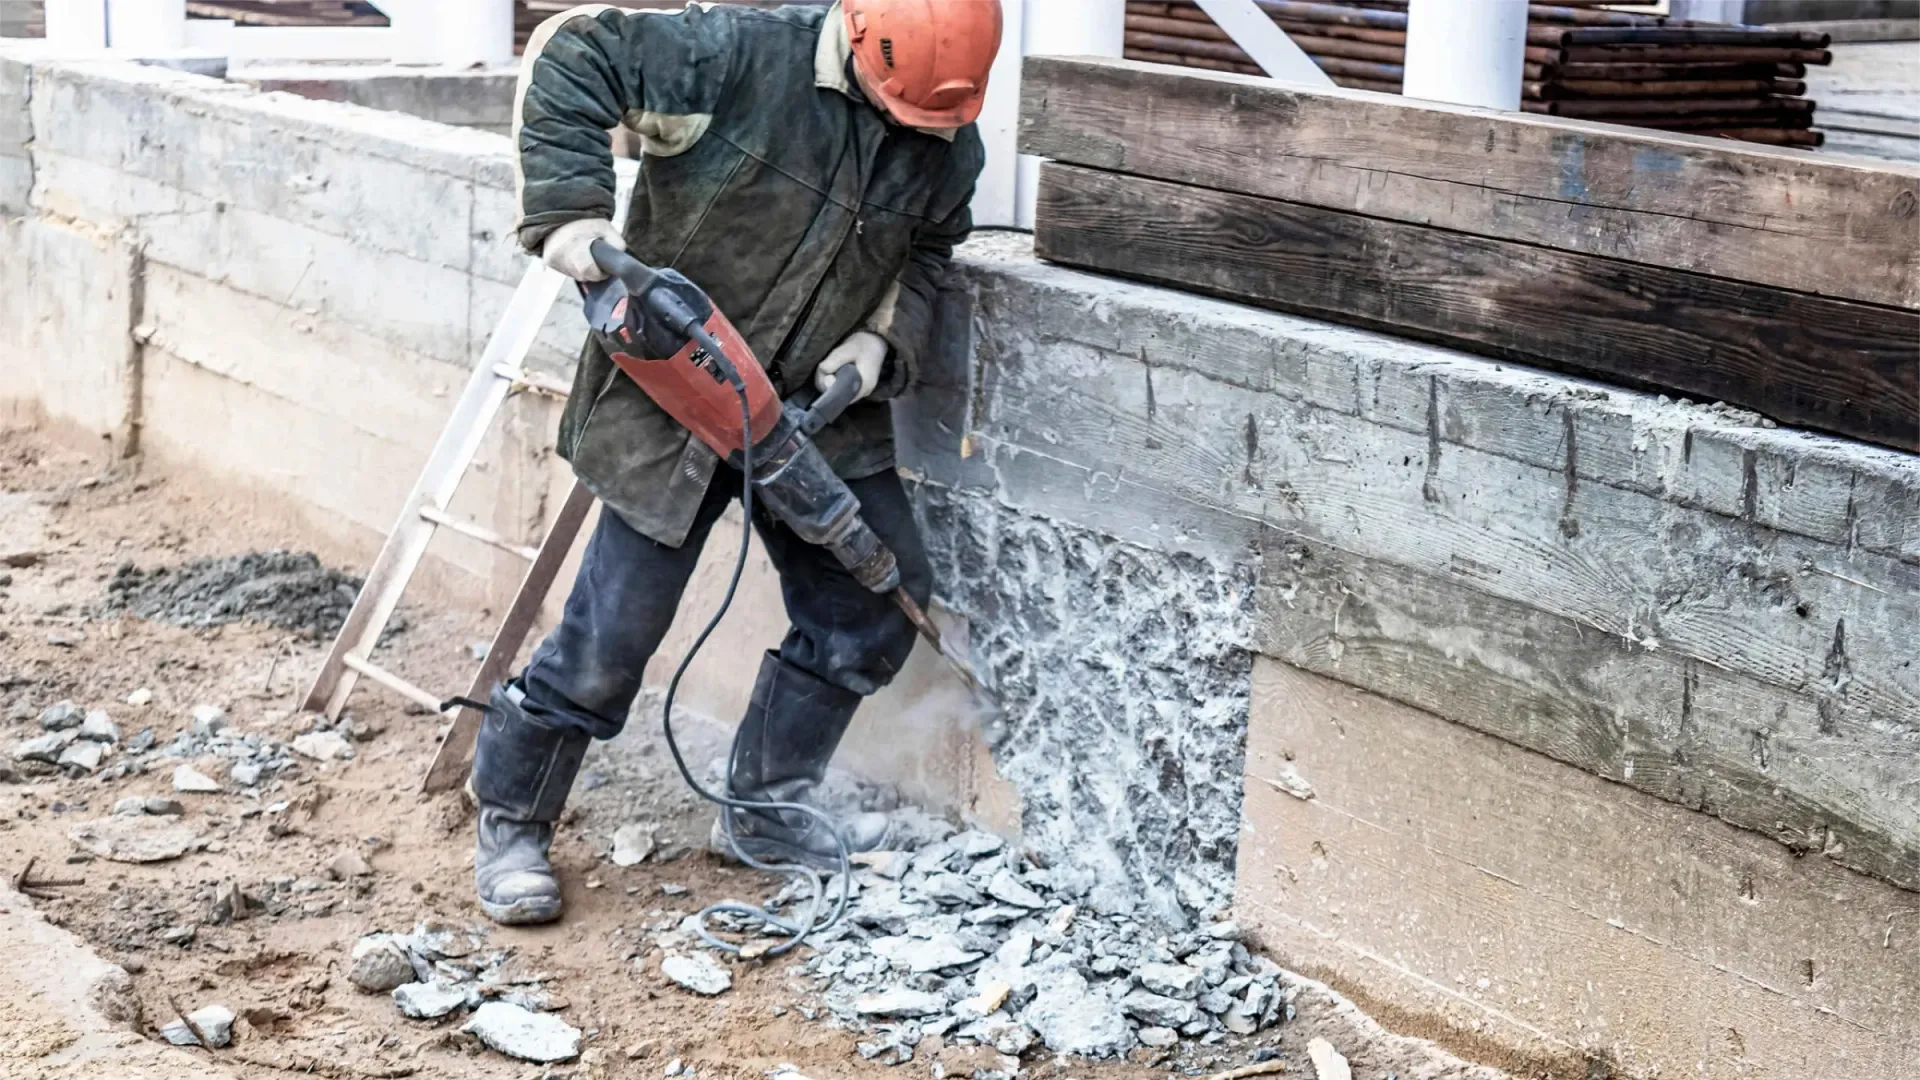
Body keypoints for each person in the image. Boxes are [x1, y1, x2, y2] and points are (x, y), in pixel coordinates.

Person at [472, 0, 1003, 926]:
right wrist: (568, 219)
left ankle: (764, 807)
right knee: (613, 638)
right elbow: (571, 48)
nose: (902, 133)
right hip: (676, 387)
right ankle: (512, 822)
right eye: (893, 108)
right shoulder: (732, 57)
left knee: (872, 602)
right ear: (861, 38)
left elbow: (927, 250)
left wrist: (880, 342)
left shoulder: (944, 137)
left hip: (814, 408)